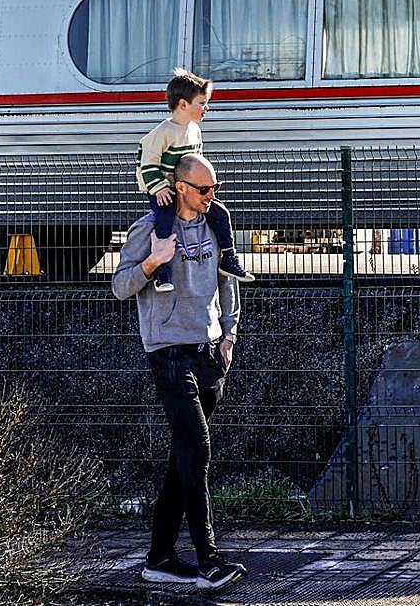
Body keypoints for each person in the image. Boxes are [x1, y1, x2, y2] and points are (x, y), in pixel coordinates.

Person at [113, 153, 248, 592]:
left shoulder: (215, 226)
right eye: (205, 189)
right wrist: (153, 262)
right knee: (198, 449)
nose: (213, 197)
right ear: (181, 187)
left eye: (216, 188)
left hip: (209, 351)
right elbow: (119, 286)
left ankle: (159, 558)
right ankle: (209, 559)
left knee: (183, 459)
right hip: (168, 352)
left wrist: (229, 337)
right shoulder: (149, 229)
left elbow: (229, 282)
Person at [137, 68, 254, 292]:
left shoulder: (194, 131)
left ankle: (228, 257)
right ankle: (161, 272)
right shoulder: (162, 133)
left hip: (187, 190)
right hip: (165, 190)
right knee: (164, 222)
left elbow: (196, 162)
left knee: (220, 212)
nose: (206, 108)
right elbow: (148, 164)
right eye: (201, 103)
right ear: (183, 104)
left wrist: (203, 187)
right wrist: (160, 188)